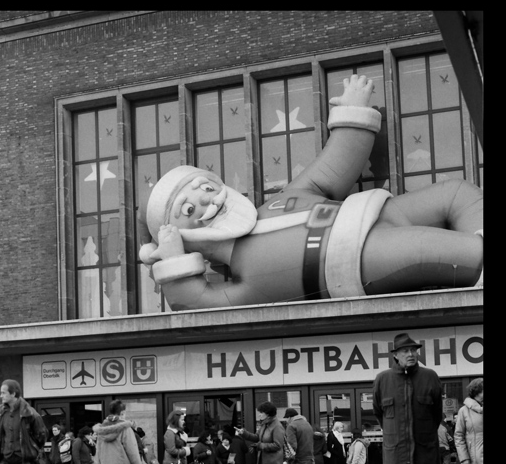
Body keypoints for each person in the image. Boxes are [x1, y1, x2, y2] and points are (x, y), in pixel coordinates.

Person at [139, 74, 483, 311]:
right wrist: (173, 261)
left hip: (376, 211)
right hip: (357, 254)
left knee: (455, 193)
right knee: (433, 249)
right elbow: (197, 302)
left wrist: (353, 113)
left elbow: (335, 165)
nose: (206, 201)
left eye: (205, 188)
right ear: (184, 236)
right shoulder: (246, 282)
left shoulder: (279, 201)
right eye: (188, 210)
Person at [373, 332, 443, 464]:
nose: (411, 354)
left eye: (414, 350)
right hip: (397, 454)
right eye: (405, 351)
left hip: (425, 454)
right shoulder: (383, 379)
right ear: (396, 355)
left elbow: (437, 415)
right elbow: (380, 414)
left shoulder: (430, 376)